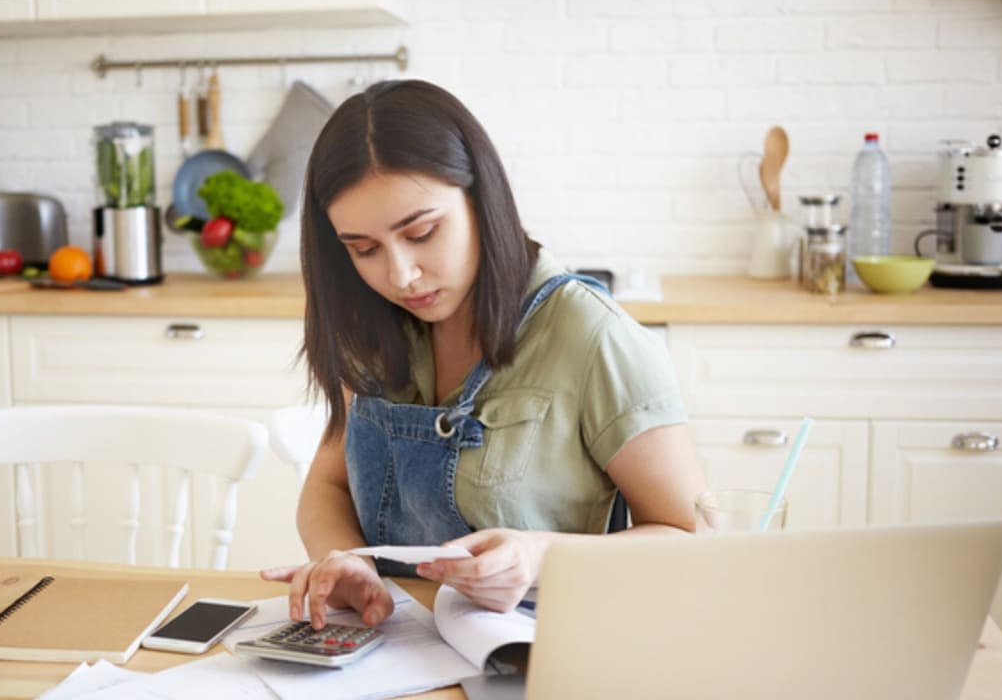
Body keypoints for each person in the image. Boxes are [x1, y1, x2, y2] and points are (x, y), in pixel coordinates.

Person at [261, 79, 705, 629]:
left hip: (547, 656)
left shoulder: (592, 337)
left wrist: (542, 555)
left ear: (480, 197)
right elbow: (327, 486)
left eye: (422, 232)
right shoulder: (371, 327)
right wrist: (347, 560)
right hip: (398, 652)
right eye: (365, 249)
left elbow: (690, 541)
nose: (400, 275)